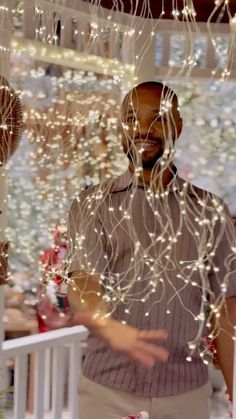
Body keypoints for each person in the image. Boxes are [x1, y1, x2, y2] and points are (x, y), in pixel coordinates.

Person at [66, 81, 236, 419]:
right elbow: (84, 280)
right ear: (119, 129)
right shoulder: (92, 204)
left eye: (157, 118)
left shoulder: (210, 210)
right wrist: (107, 325)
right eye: (131, 118)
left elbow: (226, 306)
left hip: (186, 393)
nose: (143, 128)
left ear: (178, 126)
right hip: (107, 393)